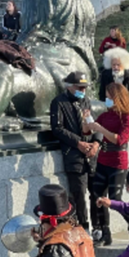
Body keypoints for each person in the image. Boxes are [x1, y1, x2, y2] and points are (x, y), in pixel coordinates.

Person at [85, 81, 129, 246]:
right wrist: (87, 120)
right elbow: (89, 130)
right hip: (102, 160)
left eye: (109, 97)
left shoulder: (128, 118)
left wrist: (100, 129)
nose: (107, 100)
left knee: (115, 198)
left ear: (117, 98)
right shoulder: (105, 116)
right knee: (97, 196)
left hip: (118, 162)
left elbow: (120, 139)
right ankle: (105, 232)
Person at [49, 72, 99, 231]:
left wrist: (96, 143)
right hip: (74, 155)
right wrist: (78, 143)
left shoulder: (85, 101)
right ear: (69, 86)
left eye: (85, 88)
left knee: (96, 193)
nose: (83, 91)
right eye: (79, 87)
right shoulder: (59, 102)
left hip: (90, 155)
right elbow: (57, 128)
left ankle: (98, 227)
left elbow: (92, 123)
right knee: (79, 196)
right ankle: (82, 229)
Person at [98, 47, 129, 119]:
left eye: (118, 64)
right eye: (113, 64)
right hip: (112, 112)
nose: (115, 67)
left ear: (124, 64)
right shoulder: (105, 75)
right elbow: (102, 95)